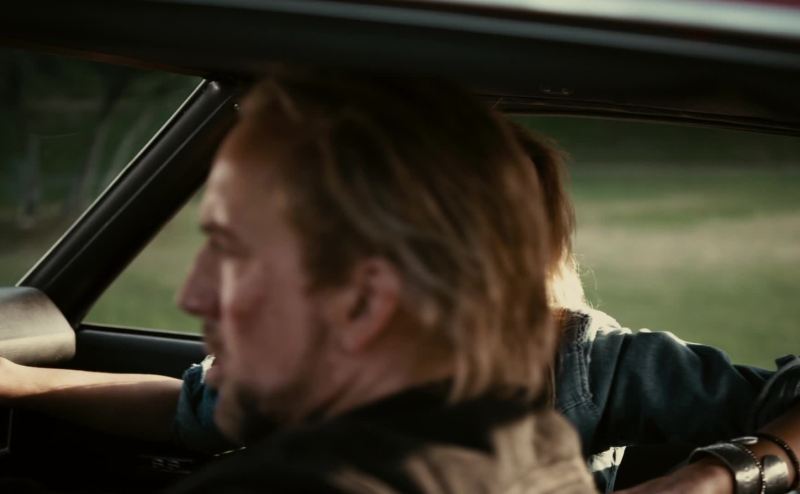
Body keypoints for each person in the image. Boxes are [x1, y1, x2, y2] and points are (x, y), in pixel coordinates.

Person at [1, 85, 798, 493]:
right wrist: (20, 380)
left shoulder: (581, 359)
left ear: (367, 297)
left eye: (235, 251)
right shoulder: (527, 451)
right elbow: (194, 408)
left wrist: (715, 474)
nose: (192, 293)